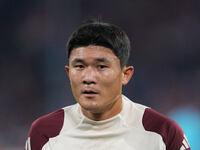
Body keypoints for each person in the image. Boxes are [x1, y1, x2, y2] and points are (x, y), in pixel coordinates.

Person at [25, 20, 191, 150]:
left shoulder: (162, 133)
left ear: (125, 75)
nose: (88, 77)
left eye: (101, 66)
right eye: (80, 67)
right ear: (69, 73)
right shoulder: (45, 133)